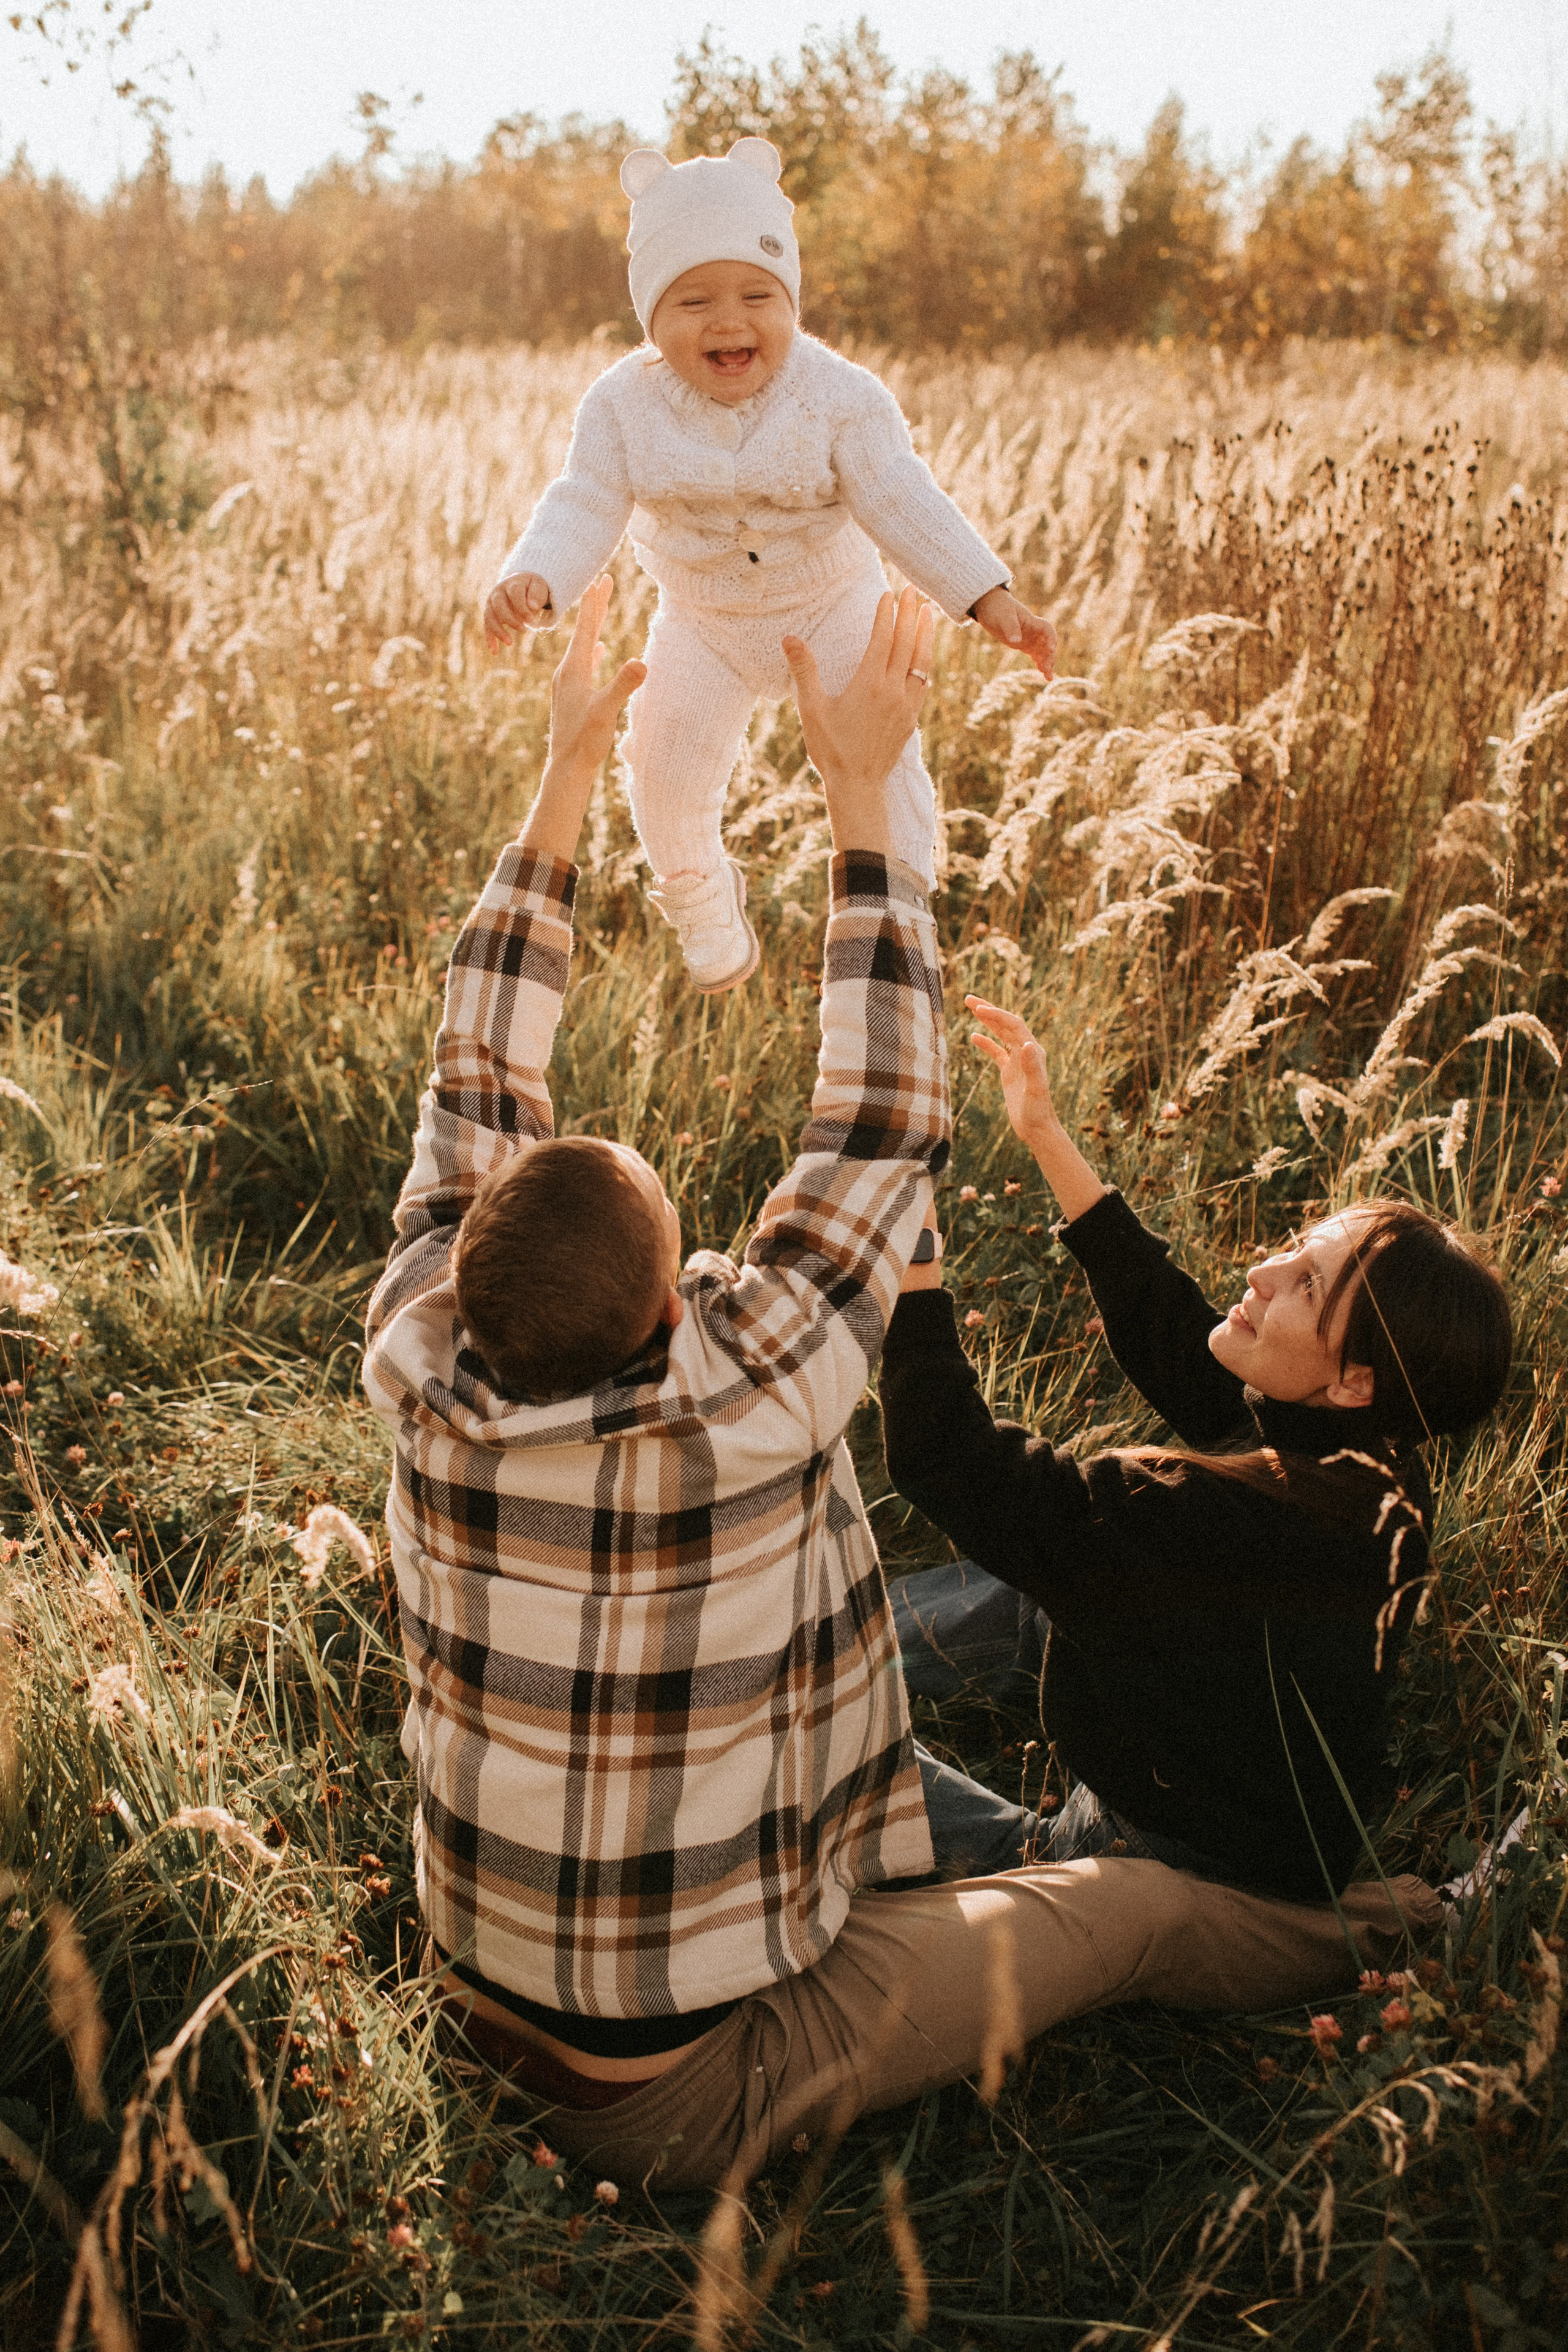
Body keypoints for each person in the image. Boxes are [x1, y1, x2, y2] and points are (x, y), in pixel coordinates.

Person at [365, 584, 1440, 2196]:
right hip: (678, 2095)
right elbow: (878, 1115)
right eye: (701, 1256)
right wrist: (861, 791)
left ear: (466, 1260)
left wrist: (567, 775)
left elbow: (473, 1074)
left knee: (834, 1717)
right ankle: (1358, 1939)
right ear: (674, 1303)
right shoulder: (753, 1390)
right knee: (1130, 1912)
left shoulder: (419, 1351)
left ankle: (925, 1853)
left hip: (472, 1995)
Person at [882, 995, 1513, 1902]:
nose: (1261, 1271)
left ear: (1355, 1381)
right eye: (1296, 1246)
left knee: (807, 1738)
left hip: (1168, 1859)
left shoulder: (1214, 1516)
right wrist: (1047, 1134)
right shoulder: (1374, 1470)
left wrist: (915, 1269)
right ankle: (820, 1638)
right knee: (1024, 1590)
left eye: (1303, 1285)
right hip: (1246, 1800)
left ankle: (806, 1689)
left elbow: (952, 1463)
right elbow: (1186, 1348)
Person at [482, 137, 1056, 992]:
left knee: (882, 763)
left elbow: (901, 497)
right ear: (650, 314)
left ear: (790, 298)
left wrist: (988, 595)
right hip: (702, 620)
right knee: (661, 768)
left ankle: (898, 919)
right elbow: (585, 499)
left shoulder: (841, 396)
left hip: (830, 603)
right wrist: (537, 576)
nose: (728, 320)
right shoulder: (621, 404)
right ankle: (700, 896)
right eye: (692, 301)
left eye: (758, 294)